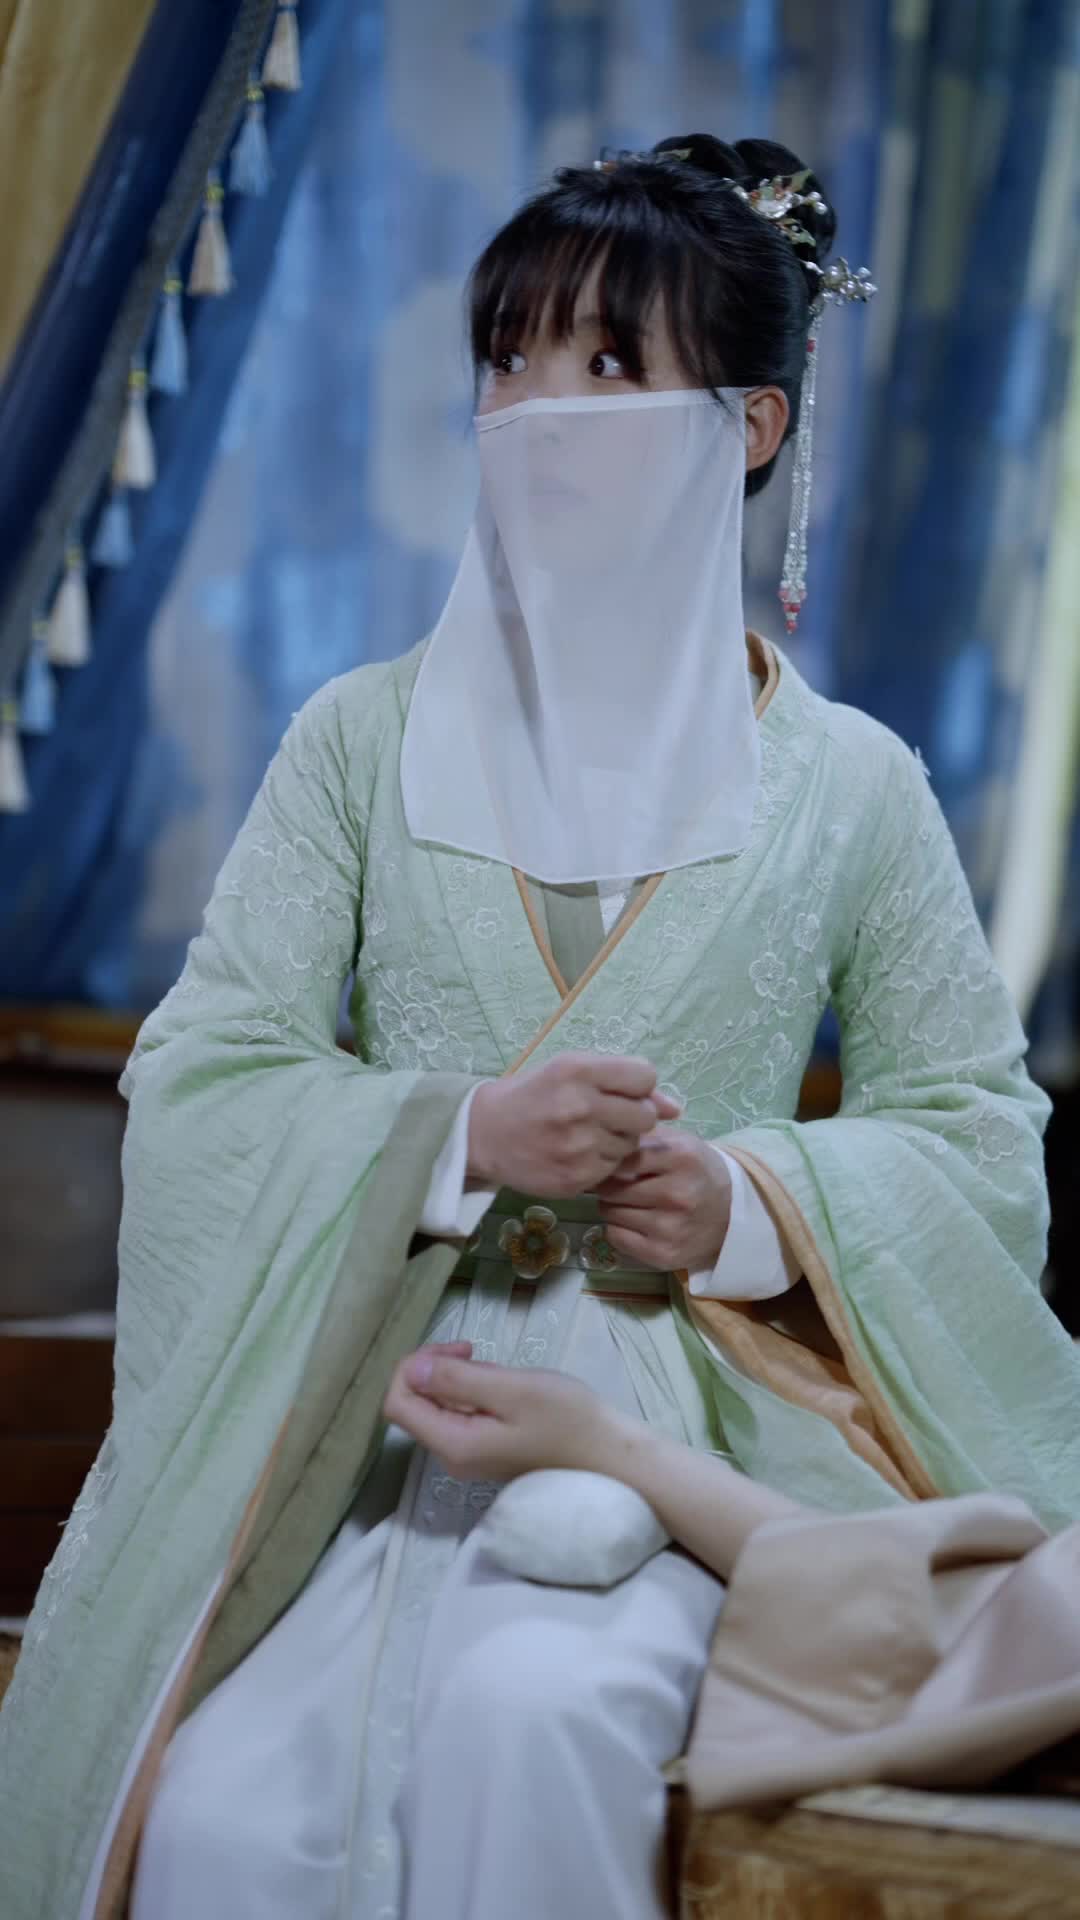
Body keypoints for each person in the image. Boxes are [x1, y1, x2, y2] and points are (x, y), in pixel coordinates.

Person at [2, 134, 1079, 1920]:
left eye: (608, 362)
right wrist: (459, 1139)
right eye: (508, 356)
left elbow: (975, 1127)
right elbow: (202, 1070)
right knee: (223, 1807)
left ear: (748, 426)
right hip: (369, 1421)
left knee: (536, 1718)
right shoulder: (355, 743)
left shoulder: (853, 786)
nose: (535, 411)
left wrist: (746, 1206)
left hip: (687, 1437)